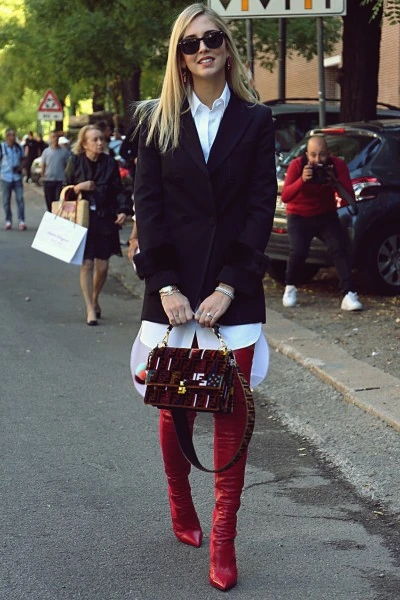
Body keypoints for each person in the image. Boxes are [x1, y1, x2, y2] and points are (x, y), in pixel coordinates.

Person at [129, 3, 276, 592]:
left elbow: (260, 205)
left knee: (230, 411)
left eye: (212, 38)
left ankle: (224, 538)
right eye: (190, 43)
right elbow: (149, 204)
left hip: (232, 289)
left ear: (227, 47)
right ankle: (180, 505)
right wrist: (164, 283)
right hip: (171, 291)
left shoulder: (256, 118)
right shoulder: (154, 119)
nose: (203, 48)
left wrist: (229, 284)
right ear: (178, 55)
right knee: (176, 406)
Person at [281, 135, 363, 311]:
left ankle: (349, 294)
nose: (317, 160)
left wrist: (335, 181)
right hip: (299, 214)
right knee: (299, 251)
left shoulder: (337, 166)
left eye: (322, 155)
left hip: (325, 214)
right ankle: (290, 287)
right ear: (306, 154)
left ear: (329, 154)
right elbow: (286, 196)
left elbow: (349, 198)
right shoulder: (297, 165)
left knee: (339, 248)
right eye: (313, 155)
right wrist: (302, 180)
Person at [63, 125, 132, 325]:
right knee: (87, 264)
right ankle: (90, 308)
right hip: (83, 220)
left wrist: (123, 210)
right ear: (84, 144)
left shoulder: (109, 162)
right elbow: (63, 189)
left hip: (104, 218)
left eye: (102, 139)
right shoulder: (74, 161)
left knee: (102, 266)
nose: (100, 143)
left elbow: (119, 190)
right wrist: (78, 187)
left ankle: (94, 298)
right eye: (95, 140)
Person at [1, 128, 26, 230]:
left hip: (17, 177)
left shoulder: (19, 148)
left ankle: (21, 221)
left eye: (14, 135)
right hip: (5, 177)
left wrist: (20, 167)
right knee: (6, 200)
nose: (13, 137)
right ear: (7, 136)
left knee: (20, 199)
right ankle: (8, 220)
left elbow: (24, 159)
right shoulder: (1, 147)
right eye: (11, 135)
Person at [40, 131, 71, 211]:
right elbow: (43, 165)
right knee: (49, 201)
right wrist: (43, 177)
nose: (55, 139)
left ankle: (57, 216)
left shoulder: (64, 151)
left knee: (58, 200)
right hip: (48, 180)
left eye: (56, 137)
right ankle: (50, 215)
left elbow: (69, 164)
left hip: (60, 180)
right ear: (50, 139)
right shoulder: (46, 152)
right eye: (53, 137)